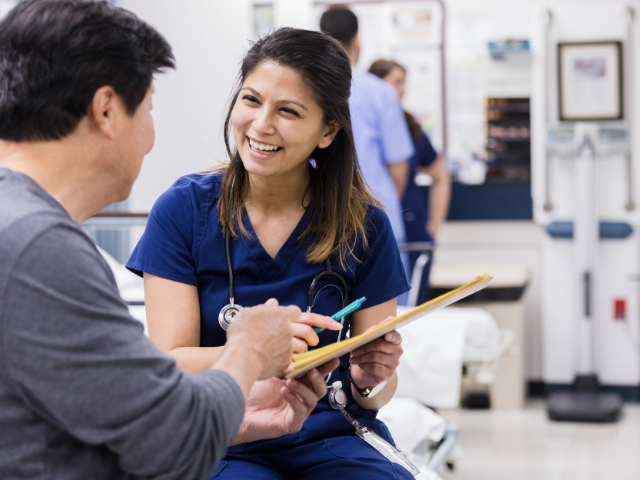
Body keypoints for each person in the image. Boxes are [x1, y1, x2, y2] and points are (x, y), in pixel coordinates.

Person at [0, 2, 334, 479]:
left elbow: (119, 419)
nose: (152, 137)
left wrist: (236, 418)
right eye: (150, 109)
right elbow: (169, 442)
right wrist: (248, 349)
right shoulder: (38, 247)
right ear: (107, 110)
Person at [126, 27, 413, 480]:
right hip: (225, 437)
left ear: (328, 131)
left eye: (289, 111)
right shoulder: (184, 211)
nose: (261, 125)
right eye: (251, 100)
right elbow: (171, 362)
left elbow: (375, 392)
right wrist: (265, 349)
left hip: (335, 435)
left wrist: (367, 378)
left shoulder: (364, 225)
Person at [319, 7, 415, 281]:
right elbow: (398, 168)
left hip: (324, 223)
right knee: (389, 317)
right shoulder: (381, 93)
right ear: (358, 39)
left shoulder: (314, 91)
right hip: (378, 221)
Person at [369, 59, 451, 304]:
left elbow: (440, 177)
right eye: (396, 81)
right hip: (376, 229)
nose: (403, 89)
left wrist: (434, 227)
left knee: (414, 308)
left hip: (412, 230)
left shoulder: (410, 127)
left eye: (404, 82)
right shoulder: (361, 125)